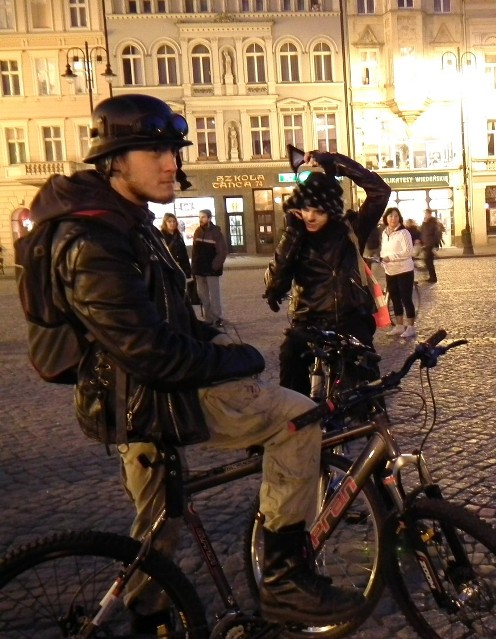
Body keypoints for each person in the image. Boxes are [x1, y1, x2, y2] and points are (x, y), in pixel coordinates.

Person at [26, 94, 363, 631]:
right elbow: (149, 351)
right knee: (298, 417)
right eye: (154, 151)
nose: (171, 163)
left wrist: (208, 334)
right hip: (144, 398)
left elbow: (164, 317)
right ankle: (283, 581)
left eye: (173, 151)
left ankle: (152, 621)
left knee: (159, 530)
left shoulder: (127, 222)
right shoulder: (93, 238)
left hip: (137, 391)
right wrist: (236, 358)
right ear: (113, 159)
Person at [263, 149, 391, 396]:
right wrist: (292, 235)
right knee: (291, 364)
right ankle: (297, 425)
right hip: (309, 321)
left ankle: (371, 424)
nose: (311, 216)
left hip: (350, 319)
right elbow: (274, 284)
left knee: (365, 381)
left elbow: (380, 192)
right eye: (306, 208)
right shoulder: (294, 235)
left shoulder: (351, 229)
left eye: (319, 211)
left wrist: (336, 162)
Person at [381, 207, 417, 338]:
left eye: (396, 216)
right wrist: (382, 258)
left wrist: (390, 257)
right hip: (390, 270)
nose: (393, 219)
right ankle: (399, 325)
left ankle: (411, 327)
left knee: (406, 298)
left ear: (399, 218)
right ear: (386, 218)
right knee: (395, 298)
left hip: (404, 270)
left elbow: (408, 252)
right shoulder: (384, 233)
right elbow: (384, 249)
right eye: (390, 216)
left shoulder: (404, 233)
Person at [191, 208, 228, 326]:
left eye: (203, 217)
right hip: (199, 270)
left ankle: (217, 317)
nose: (200, 219)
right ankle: (209, 318)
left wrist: (215, 266)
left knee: (214, 295)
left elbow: (222, 251)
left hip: (211, 270)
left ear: (209, 218)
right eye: (199, 217)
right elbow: (194, 251)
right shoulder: (197, 231)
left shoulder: (216, 232)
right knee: (203, 296)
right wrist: (194, 267)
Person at [160, 212, 191, 278]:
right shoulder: (161, 236)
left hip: (181, 266)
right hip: (168, 268)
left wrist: (188, 270)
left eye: (174, 221)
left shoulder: (178, 235)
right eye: (169, 221)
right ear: (165, 223)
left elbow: (184, 253)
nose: (172, 223)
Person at [419, 208, 441, 283]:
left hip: (430, 243)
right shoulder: (425, 221)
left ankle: (433, 278)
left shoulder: (432, 222)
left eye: (426, 213)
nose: (425, 215)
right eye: (425, 213)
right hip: (426, 243)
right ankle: (432, 277)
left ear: (429, 214)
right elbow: (422, 231)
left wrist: (425, 222)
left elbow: (430, 231)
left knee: (429, 261)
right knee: (427, 261)